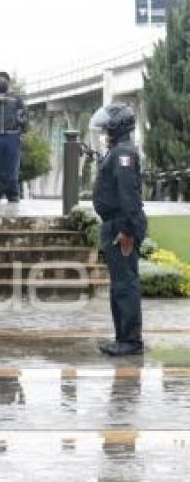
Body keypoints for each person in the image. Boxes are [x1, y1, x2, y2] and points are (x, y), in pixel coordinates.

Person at [90, 103, 147, 356]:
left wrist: (126, 231)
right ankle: (122, 337)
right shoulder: (118, 151)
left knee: (126, 285)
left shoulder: (123, 154)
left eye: (107, 127)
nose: (104, 131)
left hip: (121, 226)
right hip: (114, 224)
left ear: (117, 127)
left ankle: (131, 341)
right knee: (119, 285)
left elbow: (129, 197)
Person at [0, 71, 28, 202]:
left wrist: (23, 132)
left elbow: (23, 116)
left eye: (4, 79)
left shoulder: (16, 98)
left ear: (8, 82)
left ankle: (13, 194)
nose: (1, 81)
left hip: (12, 136)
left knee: (12, 167)